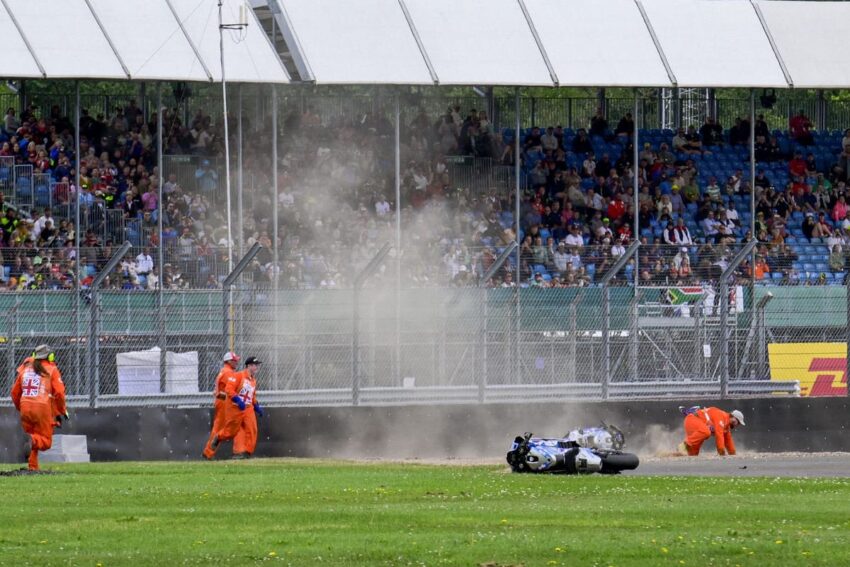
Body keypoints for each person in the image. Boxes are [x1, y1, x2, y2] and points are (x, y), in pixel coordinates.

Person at [10, 345, 68, 471]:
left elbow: (14, 393)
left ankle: (33, 467)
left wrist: (20, 407)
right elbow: (59, 393)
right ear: (50, 356)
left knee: (34, 439)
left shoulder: (25, 369)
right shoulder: (52, 369)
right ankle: (31, 440)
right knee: (45, 441)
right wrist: (62, 411)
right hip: (42, 408)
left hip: (25, 406)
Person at [203, 356, 264, 460]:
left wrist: (256, 406)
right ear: (248, 366)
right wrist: (237, 400)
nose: (256, 367)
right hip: (236, 408)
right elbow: (229, 389)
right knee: (231, 431)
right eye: (254, 365)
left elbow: (252, 395)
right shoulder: (238, 376)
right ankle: (219, 437)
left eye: (257, 365)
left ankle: (247, 452)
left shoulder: (253, 380)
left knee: (252, 429)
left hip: (248, 408)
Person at [204, 351, 241, 457]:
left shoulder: (224, 371)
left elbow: (218, 392)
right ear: (228, 361)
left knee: (221, 428)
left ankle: (209, 453)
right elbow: (230, 390)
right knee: (218, 429)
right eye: (234, 360)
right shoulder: (228, 373)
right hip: (224, 403)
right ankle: (208, 453)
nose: (236, 362)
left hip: (222, 401)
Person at [677, 406, 745, 456]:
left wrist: (733, 454)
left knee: (693, 454)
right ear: (733, 417)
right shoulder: (722, 416)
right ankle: (684, 445)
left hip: (696, 426)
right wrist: (722, 453)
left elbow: (728, 441)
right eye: (738, 422)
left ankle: (676, 455)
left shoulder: (726, 427)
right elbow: (719, 436)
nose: (738, 424)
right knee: (706, 432)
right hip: (692, 420)